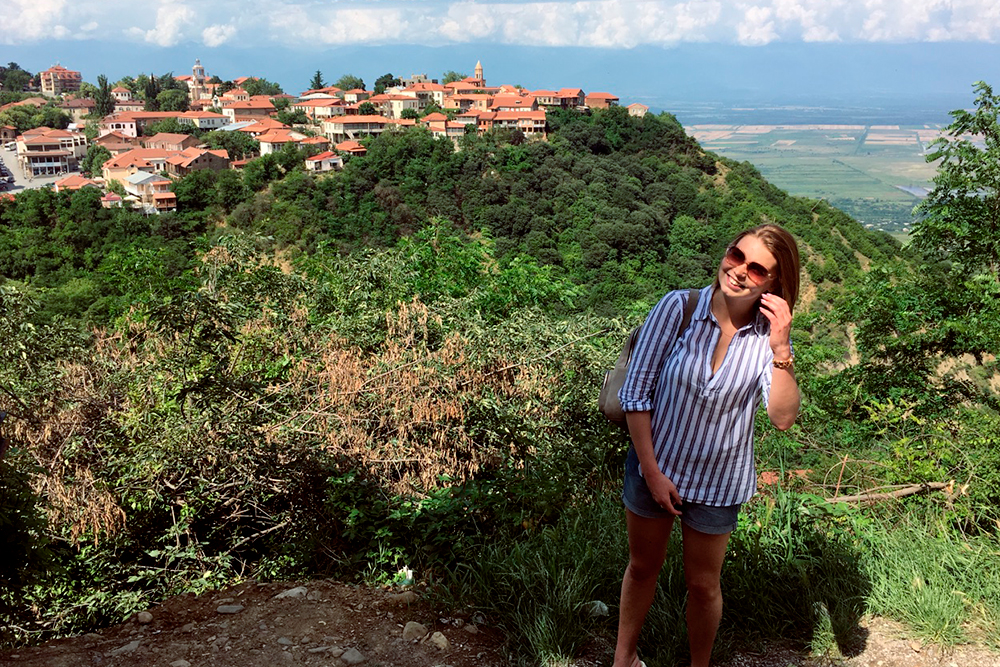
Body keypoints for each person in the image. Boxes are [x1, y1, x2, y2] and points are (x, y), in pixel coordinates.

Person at [612, 224, 801, 667]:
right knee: (642, 568)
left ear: (773, 283)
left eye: (757, 269)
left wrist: (781, 346)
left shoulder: (765, 340)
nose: (739, 271)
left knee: (704, 585)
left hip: (719, 482)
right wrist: (653, 472)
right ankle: (624, 658)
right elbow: (635, 394)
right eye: (737, 255)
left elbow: (783, 417)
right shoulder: (677, 308)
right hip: (654, 465)